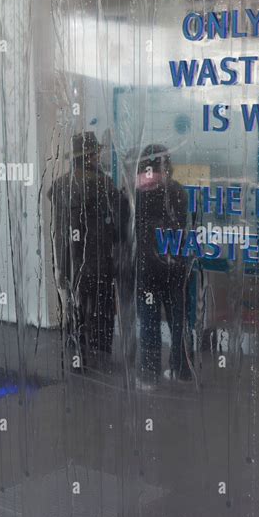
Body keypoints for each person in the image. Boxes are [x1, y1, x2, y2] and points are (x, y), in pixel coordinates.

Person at [49, 131, 128, 372]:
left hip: (71, 261)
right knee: (102, 310)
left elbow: (62, 227)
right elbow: (120, 215)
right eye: (96, 154)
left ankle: (77, 359)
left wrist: (63, 266)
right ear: (89, 156)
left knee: (77, 311)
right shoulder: (101, 183)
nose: (99, 157)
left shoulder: (60, 184)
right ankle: (101, 357)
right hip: (98, 260)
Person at [135, 144, 192, 387]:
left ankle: (150, 374)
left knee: (149, 322)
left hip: (147, 268)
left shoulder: (136, 194)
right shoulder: (178, 191)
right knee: (178, 320)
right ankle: (181, 370)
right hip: (174, 266)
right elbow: (183, 223)